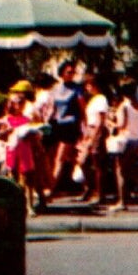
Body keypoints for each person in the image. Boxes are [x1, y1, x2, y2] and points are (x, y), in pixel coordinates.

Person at [2, 88, 46, 215]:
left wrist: (38, 145)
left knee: (28, 179)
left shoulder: (27, 119)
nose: (20, 105)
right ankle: (14, 204)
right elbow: (1, 135)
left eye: (22, 102)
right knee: (12, 177)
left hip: (25, 150)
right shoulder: (6, 119)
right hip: (12, 149)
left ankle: (29, 205)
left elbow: (35, 135)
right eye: (17, 102)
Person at [45, 61, 84, 198]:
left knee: (60, 158)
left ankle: (51, 189)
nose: (71, 75)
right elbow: (52, 107)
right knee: (57, 157)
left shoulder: (77, 89)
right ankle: (87, 186)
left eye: (73, 72)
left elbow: (82, 108)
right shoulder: (55, 89)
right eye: (69, 72)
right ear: (62, 73)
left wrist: (82, 128)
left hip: (70, 125)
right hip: (57, 125)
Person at [111, 81, 138, 210]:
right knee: (130, 171)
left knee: (120, 170)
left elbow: (121, 125)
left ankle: (121, 201)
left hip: (125, 140)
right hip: (136, 140)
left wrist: (110, 123)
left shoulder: (124, 106)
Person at [77, 74, 111, 206]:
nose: (87, 88)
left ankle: (100, 193)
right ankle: (89, 188)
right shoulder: (93, 100)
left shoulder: (101, 99)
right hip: (89, 131)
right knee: (83, 161)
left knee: (98, 165)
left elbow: (100, 120)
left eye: (89, 85)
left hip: (97, 132)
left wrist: (95, 137)